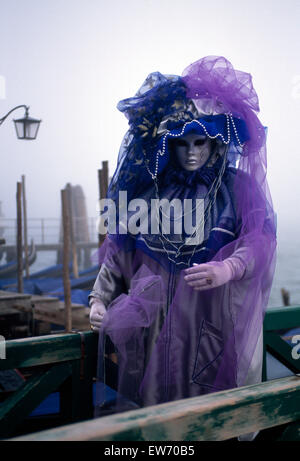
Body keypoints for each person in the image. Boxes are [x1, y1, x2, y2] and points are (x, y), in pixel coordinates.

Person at [89, 57, 277, 432]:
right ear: (169, 145)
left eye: (200, 142)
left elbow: (260, 241)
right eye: (182, 143)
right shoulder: (150, 193)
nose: (192, 152)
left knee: (210, 420)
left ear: (215, 142)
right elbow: (119, 253)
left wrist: (230, 266)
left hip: (210, 331)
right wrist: (98, 299)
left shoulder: (236, 189)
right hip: (153, 335)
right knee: (156, 424)